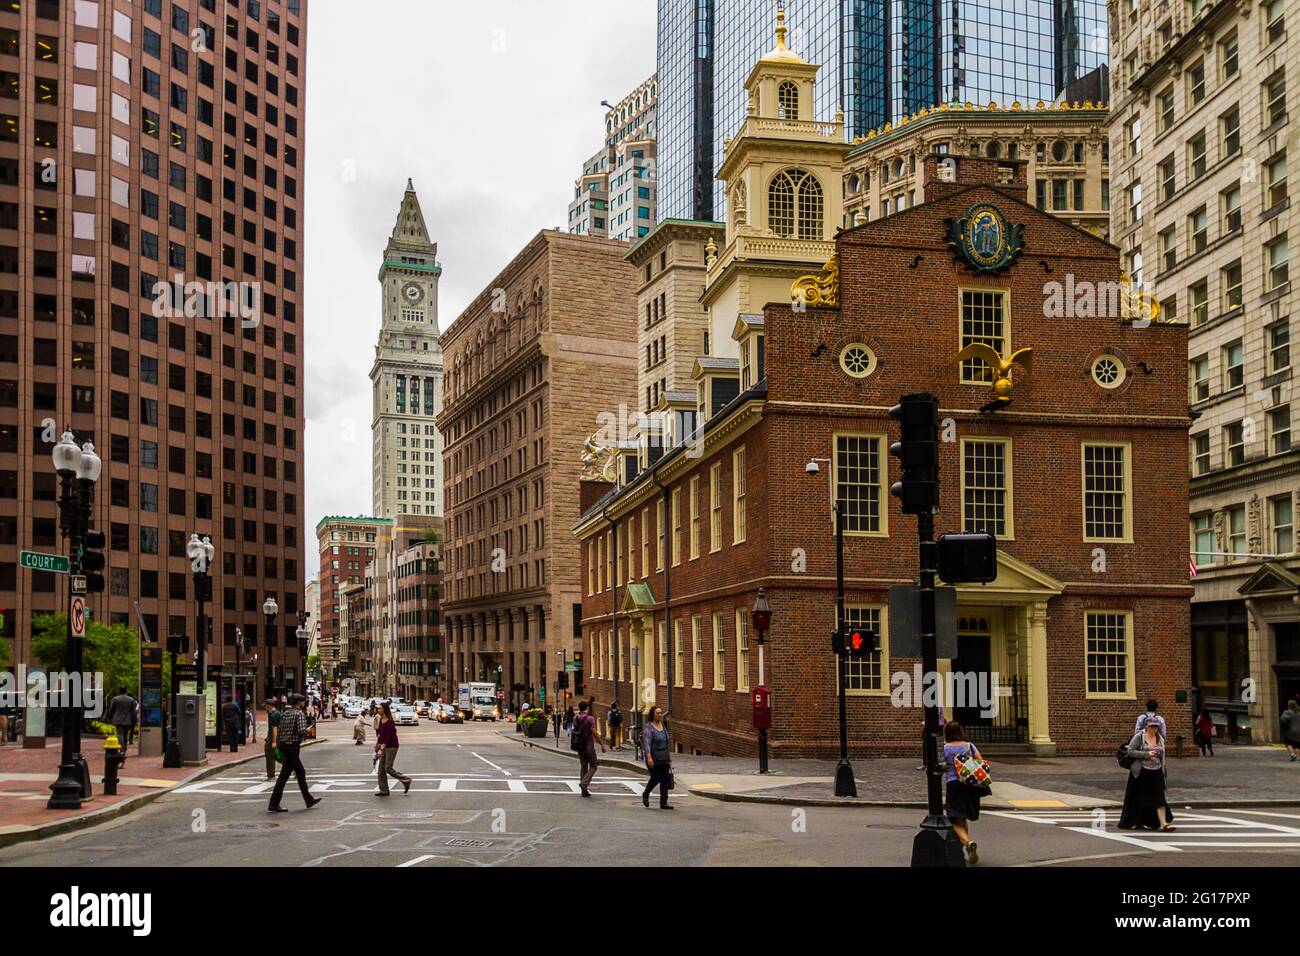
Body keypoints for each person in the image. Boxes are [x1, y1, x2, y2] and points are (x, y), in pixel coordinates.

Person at [1119, 716, 1175, 832]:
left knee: (1160, 797)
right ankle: (1137, 821)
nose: (1154, 729)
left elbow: (1162, 755)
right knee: (1139, 797)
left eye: (1156, 726)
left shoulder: (1160, 738)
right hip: (1142, 771)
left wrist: (1159, 756)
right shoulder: (1140, 736)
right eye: (1152, 726)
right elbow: (1130, 751)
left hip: (1157, 770)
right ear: (1146, 726)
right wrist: (1146, 754)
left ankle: (1163, 823)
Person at [268, 695, 321, 813]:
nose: (304, 703)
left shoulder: (285, 713)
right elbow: (302, 731)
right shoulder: (299, 714)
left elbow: (280, 729)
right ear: (299, 703)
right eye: (303, 702)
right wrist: (308, 730)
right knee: (284, 776)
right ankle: (274, 803)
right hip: (292, 746)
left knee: (300, 772)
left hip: (284, 745)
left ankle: (308, 799)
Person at [942, 721, 984, 865]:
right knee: (963, 817)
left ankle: (967, 842)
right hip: (969, 785)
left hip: (953, 784)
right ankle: (965, 850)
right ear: (961, 731)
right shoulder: (969, 746)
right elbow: (980, 761)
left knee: (953, 819)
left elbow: (942, 765)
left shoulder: (946, 748)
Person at [374, 702, 412, 797]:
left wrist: (382, 747)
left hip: (392, 746)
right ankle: (384, 790)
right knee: (381, 770)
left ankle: (406, 779)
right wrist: (377, 745)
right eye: (378, 709)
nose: (378, 710)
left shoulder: (390, 722)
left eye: (380, 709)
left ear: (385, 710)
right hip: (384, 746)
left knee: (388, 768)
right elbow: (380, 735)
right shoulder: (380, 720)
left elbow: (389, 736)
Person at [571, 700, 607, 797]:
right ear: (586, 708)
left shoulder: (575, 718)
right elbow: (594, 732)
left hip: (579, 746)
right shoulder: (590, 719)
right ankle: (584, 783)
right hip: (589, 746)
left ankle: (584, 790)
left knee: (583, 766)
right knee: (593, 765)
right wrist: (601, 744)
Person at [641, 706, 673, 810]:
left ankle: (664, 803)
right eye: (657, 713)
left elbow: (666, 742)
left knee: (665, 779)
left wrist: (669, 757)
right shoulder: (648, 727)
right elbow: (647, 743)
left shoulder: (663, 726)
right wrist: (649, 757)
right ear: (652, 715)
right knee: (655, 778)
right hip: (653, 756)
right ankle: (646, 793)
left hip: (664, 756)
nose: (660, 715)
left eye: (661, 713)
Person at [104, 687, 136, 767]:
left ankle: (122, 749)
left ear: (119, 691)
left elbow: (111, 709)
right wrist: (134, 720)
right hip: (128, 720)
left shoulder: (115, 699)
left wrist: (109, 717)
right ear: (126, 691)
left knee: (120, 735)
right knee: (125, 735)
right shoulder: (131, 699)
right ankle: (123, 749)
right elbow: (133, 711)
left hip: (118, 720)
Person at [263, 699, 282, 781]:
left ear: (269, 706)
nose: (265, 707)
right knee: (278, 755)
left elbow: (274, 728)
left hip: (273, 738)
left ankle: (271, 775)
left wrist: (273, 741)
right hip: (275, 738)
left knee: (270, 755)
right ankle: (293, 768)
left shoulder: (273, 715)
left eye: (266, 705)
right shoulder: (277, 713)